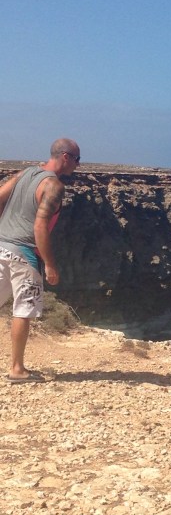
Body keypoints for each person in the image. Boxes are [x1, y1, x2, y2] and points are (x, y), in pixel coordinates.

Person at [0, 138, 81, 383]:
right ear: (65, 157)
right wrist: (50, 264)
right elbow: (39, 226)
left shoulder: (25, 173)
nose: (78, 165)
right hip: (24, 254)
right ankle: (17, 369)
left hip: (1, 246)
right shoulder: (54, 186)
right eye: (77, 159)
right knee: (23, 311)